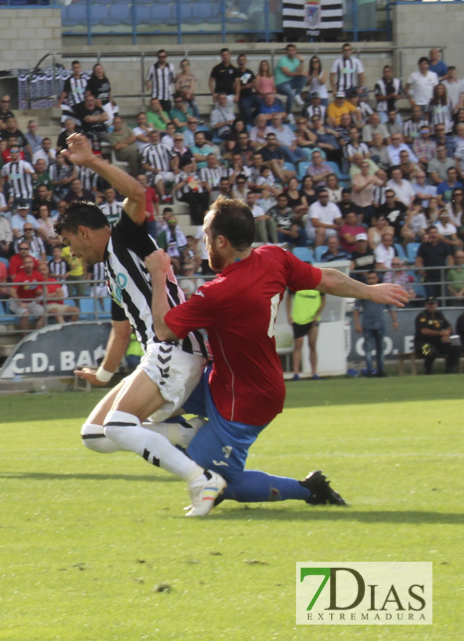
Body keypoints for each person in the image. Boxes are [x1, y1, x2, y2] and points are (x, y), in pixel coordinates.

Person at [145, 197, 409, 514]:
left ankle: (309, 489)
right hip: (224, 382)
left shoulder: (219, 292)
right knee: (154, 398)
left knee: (212, 481)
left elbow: (163, 329)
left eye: (205, 237)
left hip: (247, 400)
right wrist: (371, 290)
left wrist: (158, 275)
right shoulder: (274, 258)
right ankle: (194, 436)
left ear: (221, 241)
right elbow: (327, 278)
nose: (204, 245)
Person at [52, 133, 221, 516]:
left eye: (68, 242)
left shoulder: (124, 238)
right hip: (156, 353)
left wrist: (92, 162)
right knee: (95, 435)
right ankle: (192, 433)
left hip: (175, 347)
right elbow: (121, 331)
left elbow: (139, 193)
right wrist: (104, 374)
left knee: (119, 426)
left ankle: (201, 479)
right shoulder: (110, 275)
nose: (70, 252)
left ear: (82, 232)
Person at [353, 269, 398, 377]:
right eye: (369, 278)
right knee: (368, 349)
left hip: (380, 324)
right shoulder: (362, 291)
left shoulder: (382, 291)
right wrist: (357, 324)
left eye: (373, 278)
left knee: (380, 350)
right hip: (367, 324)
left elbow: (390, 307)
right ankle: (370, 370)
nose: (371, 280)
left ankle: (380, 371)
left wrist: (395, 320)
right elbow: (356, 309)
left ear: (377, 278)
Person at [415, 296, 461, 374]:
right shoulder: (422, 316)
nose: (431, 306)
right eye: (429, 304)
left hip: (438, 343)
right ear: (425, 305)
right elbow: (424, 331)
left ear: (436, 304)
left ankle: (449, 371)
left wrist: (446, 334)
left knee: (456, 348)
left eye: (433, 304)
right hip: (423, 344)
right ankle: (428, 371)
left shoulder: (439, 314)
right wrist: (440, 333)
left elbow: (448, 326)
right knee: (430, 352)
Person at [288, 286, 322, 380]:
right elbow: (288, 297)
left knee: (312, 344)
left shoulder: (318, 284)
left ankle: (314, 372)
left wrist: (317, 314)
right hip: (299, 318)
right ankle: (296, 373)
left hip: (313, 319)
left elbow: (323, 300)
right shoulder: (297, 283)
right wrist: (289, 315)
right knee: (298, 344)